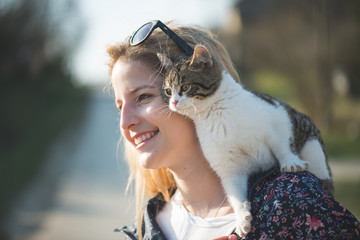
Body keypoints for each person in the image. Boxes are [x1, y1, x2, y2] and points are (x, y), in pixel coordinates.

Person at [106, 20, 360, 240]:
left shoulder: (294, 202)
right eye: (119, 107)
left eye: (142, 97)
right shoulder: (143, 230)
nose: (125, 121)